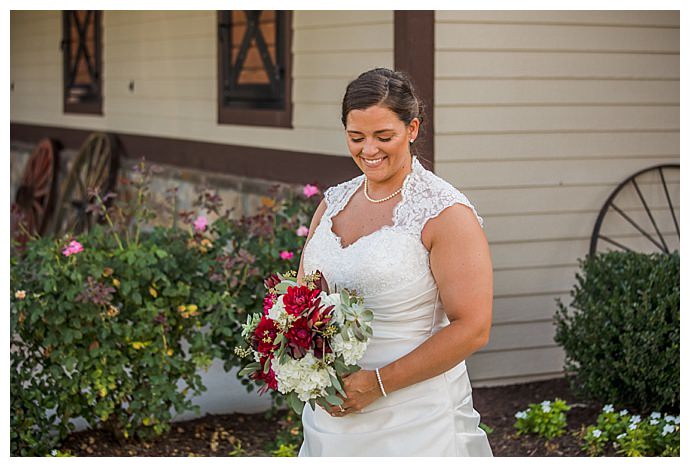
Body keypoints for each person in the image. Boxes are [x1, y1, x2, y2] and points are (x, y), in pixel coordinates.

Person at [295, 68, 493, 456]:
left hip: (415, 421)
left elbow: (473, 327)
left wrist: (377, 384)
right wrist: (302, 365)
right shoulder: (333, 202)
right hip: (330, 418)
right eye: (356, 137)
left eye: (384, 136)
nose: (369, 150)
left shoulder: (445, 213)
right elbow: (301, 300)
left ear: (413, 129)